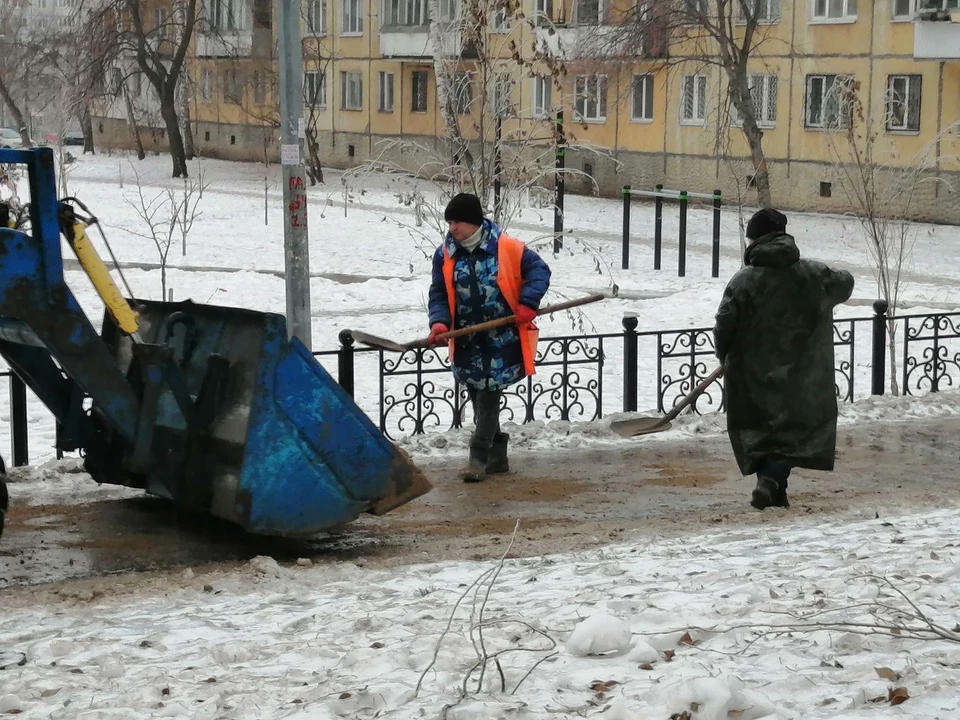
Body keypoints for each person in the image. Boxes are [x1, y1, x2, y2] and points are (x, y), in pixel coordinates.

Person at [713, 208, 854, 510]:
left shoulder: (743, 281)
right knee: (792, 431)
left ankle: (772, 487)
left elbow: (724, 323)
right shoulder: (813, 274)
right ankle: (773, 484)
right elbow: (846, 283)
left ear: (755, 241)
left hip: (753, 377)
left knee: (766, 430)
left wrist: (724, 355)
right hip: (802, 375)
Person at [427, 192, 551, 482]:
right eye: (449, 222)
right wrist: (440, 323)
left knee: (488, 395)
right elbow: (440, 293)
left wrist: (527, 304)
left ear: (473, 221)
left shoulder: (506, 248)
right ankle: (498, 457)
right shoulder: (444, 254)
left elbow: (539, 271)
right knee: (475, 392)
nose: (452, 228)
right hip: (467, 338)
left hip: (501, 337)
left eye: (457, 221)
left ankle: (478, 457)